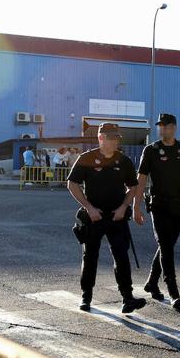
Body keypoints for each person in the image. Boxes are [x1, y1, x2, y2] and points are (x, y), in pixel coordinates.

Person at [67, 123, 146, 314]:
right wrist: (89, 208)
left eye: (116, 138)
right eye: (109, 138)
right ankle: (86, 297)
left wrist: (124, 207)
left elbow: (132, 187)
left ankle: (127, 298)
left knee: (121, 256)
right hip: (94, 216)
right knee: (90, 255)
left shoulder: (123, 160)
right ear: (100, 138)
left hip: (116, 216)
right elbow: (72, 184)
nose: (113, 141)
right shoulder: (87, 158)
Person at [134, 113, 180, 311]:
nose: (162, 129)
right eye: (160, 126)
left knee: (168, 245)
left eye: (165, 126)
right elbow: (141, 180)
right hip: (158, 205)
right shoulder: (151, 150)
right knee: (165, 244)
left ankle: (152, 282)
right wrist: (136, 206)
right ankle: (173, 291)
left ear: (173, 127)